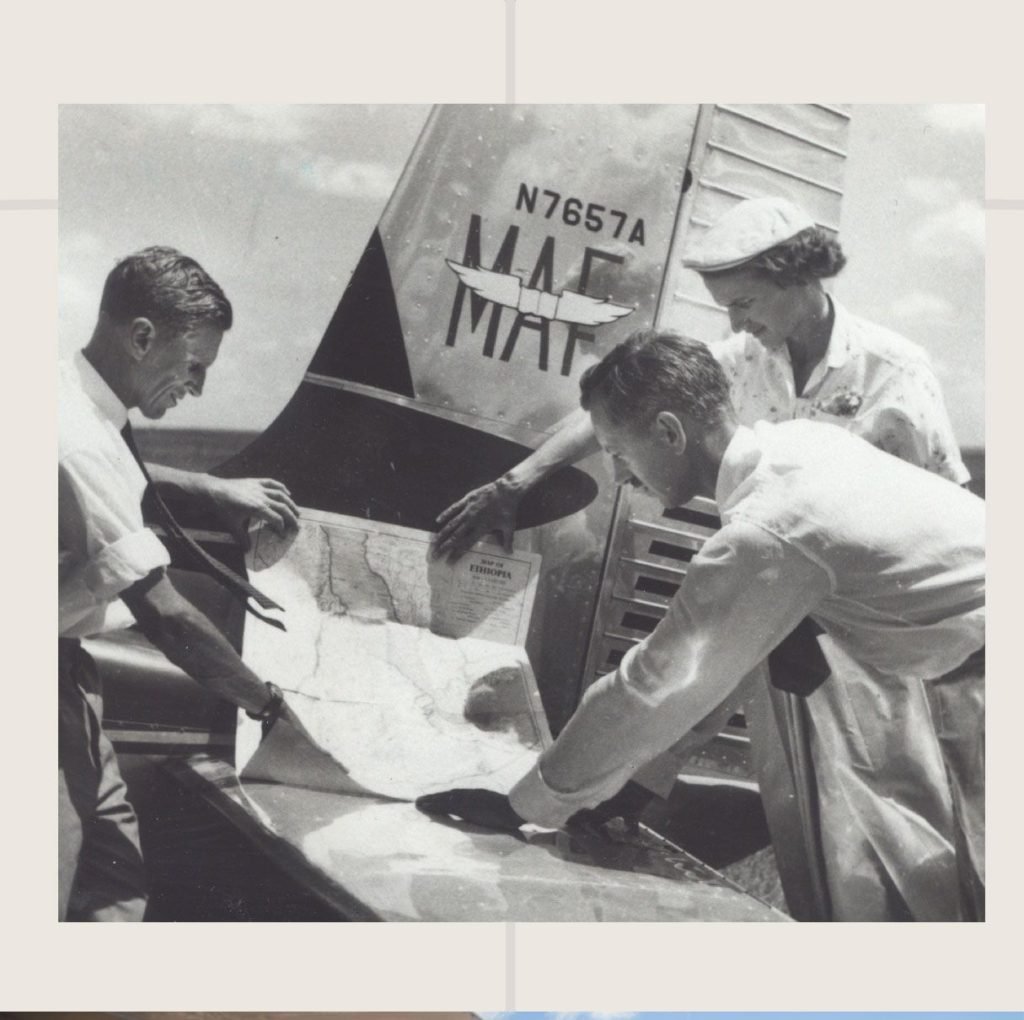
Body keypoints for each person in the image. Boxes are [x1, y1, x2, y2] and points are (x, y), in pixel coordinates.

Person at [430, 197, 971, 920]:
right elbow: (624, 409)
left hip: (927, 666)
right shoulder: (791, 440)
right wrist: (517, 480)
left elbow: (653, 683)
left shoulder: (784, 505)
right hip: (899, 631)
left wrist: (525, 803)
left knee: (927, 876)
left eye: (625, 457)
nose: (620, 475)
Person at [59, 245, 303, 921]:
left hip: (63, 674)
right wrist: (269, 706)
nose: (197, 389)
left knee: (112, 855)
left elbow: (110, 465)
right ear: (141, 338)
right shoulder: (78, 440)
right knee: (94, 882)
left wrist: (207, 486)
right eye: (195, 367)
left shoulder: (67, 397)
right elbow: (165, 615)